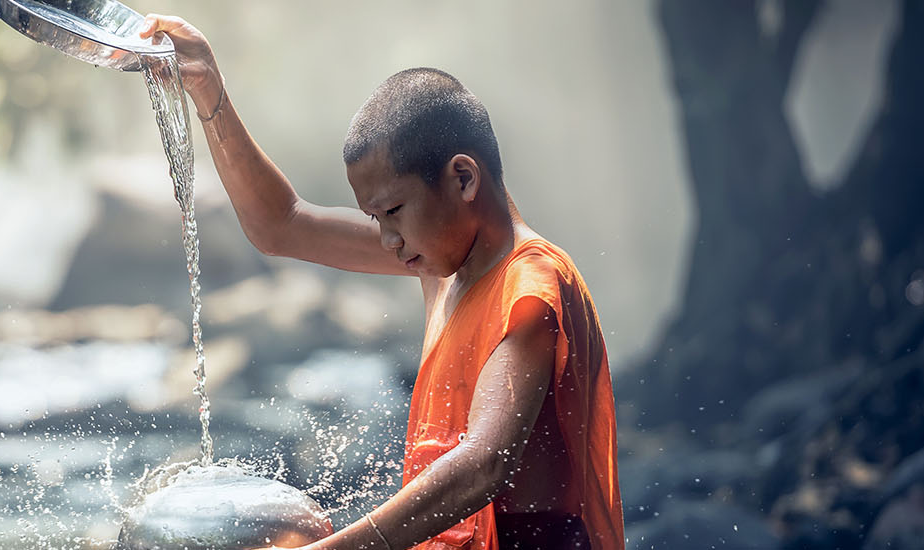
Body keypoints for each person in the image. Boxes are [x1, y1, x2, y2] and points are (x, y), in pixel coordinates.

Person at [137, 14, 624, 550]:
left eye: (393, 210)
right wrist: (211, 92)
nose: (389, 240)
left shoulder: (530, 284)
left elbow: (486, 463)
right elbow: (282, 226)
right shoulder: (443, 262)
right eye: (375, 220)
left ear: (463, 178)